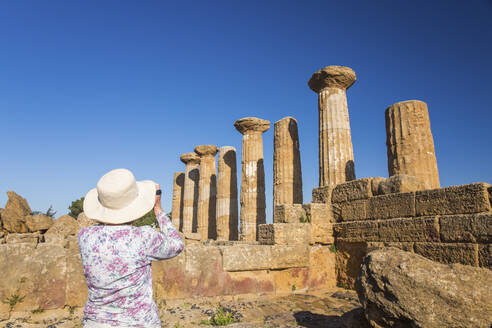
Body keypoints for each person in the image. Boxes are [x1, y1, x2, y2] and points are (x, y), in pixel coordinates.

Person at [78, 168, 184, 327]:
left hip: (96, 322)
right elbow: (177, 244)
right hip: (139, 323)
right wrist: (158, 209)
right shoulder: (144, 237)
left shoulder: (85, 236)